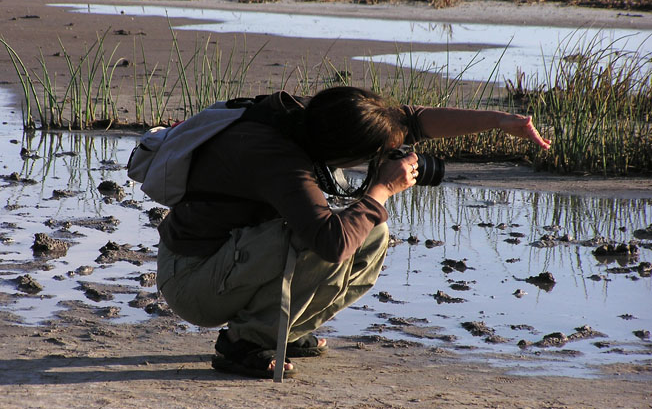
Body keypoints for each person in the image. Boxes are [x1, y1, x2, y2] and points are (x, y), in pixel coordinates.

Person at [155, 86, 551, 379]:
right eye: (370, 154)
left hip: (226, 261)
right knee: (319, 240)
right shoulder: (277, 158)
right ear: (345, 149)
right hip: (192, 280)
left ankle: (284, 330)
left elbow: (410, 119)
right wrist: (381, 188)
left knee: (372, 233)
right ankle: (245, 343)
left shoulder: (310, 120)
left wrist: (499, 122)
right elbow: (331, 242)